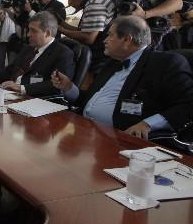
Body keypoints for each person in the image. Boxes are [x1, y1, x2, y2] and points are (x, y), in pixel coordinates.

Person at [52, 16, 193, 140]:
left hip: (125, 142)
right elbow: (88, 100)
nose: (105, 41)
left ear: (126, 39)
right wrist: (69, 87)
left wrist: (148, 124)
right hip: (87, 131)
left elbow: (188, 104)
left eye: (110, 36)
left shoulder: (165, 63)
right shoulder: (112, 64)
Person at [0, 12, 74, 97]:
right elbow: (8, 72)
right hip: (10, 95)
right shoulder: (28, 48)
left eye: (33, 31)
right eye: (28, 30)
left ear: (47, 33)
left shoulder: (63, 53)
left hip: (35, 100)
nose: (28, 35)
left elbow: (55, 85)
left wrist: (21, 88)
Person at [58, 0, 116, 73]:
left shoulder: (95, 4)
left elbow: (89, 38)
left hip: (101, 59)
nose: (69, 2)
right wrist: (62, 24)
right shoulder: (94, 1)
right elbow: (82, 31)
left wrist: (62, 30)